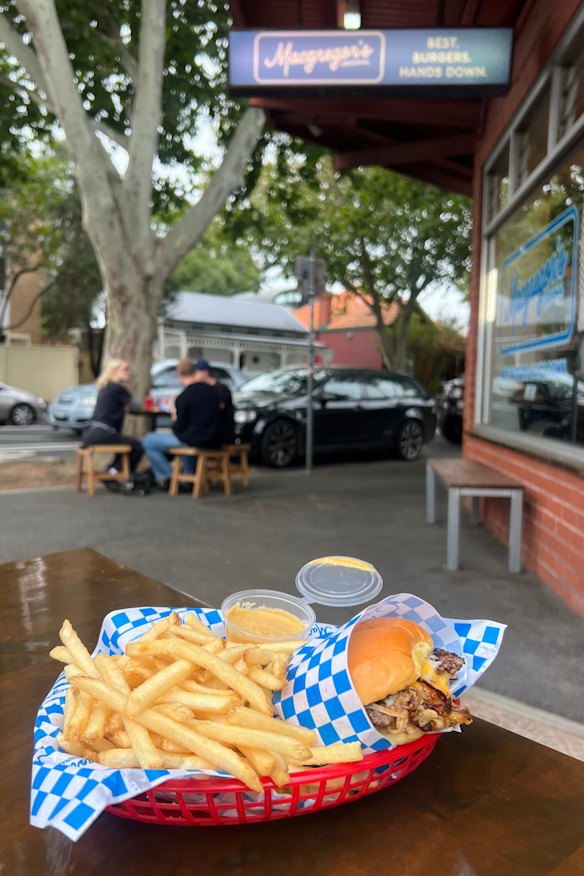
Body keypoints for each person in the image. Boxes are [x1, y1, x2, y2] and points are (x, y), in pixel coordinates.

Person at [143, 358, 220, 490]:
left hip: (193, 439)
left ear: (178, 374)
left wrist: (175, 417)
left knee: (149, 440)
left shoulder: (184, 397)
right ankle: (188, 475)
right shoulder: (212, 391)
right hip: (213, 438)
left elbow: (179, 428)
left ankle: (167, 477)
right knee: (187, 437)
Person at [80, 358, 144, 476]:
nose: (129, 372)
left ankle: (112, 471)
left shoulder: (105, 387)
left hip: (90, 433)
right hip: (104, 432)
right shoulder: (117, 388)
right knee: (137, 446)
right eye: (125, 369)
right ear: (114, 371)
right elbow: (136, 407)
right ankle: (114, 473)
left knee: (125, 444)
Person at [199, 360, 236, 445]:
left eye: (197, 373)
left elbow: (216, 410)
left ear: (205, 373)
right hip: (212, 432)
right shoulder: (206, 389)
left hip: (222, 434)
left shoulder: (221, 389)